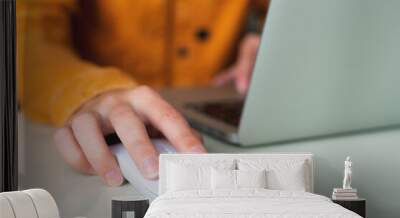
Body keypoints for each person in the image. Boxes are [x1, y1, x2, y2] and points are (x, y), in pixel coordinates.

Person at [17, 0, 268, 186]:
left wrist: (262, 36)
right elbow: (27, 37)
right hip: (100, 117)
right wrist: (93, 90)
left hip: (225, 103)